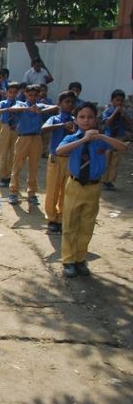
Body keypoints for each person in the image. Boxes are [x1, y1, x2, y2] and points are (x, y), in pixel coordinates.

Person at [56, 102, 127, 277]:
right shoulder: (73, 138)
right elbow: (59, 150)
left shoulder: (101, 139)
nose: (86, 120)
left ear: (96, 119)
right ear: (76, 119)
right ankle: (68, 260)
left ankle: (81, 259)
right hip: (75, 185)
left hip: (94, 187)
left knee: (87, 225)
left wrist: (102, 137)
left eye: (90, 117)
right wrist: (83, 139)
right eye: (82, 117)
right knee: (70, 224)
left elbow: (123, 148)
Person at [7, 84, 59, 205]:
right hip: (23, 138)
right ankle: (13, 192)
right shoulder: (21, 105)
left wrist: (40, 109)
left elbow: (55, 107)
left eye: (35, 95)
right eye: (30, 95)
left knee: (33, 167)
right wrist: (28, 109)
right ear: (25, 94)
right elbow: (12, 109)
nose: (32, 97)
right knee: (17, 165)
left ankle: (32, 193)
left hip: (36, 138)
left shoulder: (40, 105)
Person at [41, 90, 77, 234]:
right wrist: (63, 126)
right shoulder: (55, 119)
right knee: (53, 190)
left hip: (70, 159)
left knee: (66, 190)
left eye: (72, 102)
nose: (69, 104)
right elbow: (44, 129)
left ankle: (62, 217)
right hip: (56, 158)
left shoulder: (76, 120)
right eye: (66, 102)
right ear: (60, 104)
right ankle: (51, 218)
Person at [101, 89, 130, 190]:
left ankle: (110, 181)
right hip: (108, 137)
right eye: (117, 100)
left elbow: (130, 124)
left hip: (119, 137)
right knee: (106, 159)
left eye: (121, 101)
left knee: (115, 160)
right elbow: (107, 123)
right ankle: (103, 180)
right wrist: (115, 112)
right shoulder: (108, 111)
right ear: (112, 100)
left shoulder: (124, 112)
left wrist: (124, 115)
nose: (119, 103)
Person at [0, 82, 20, 188]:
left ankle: (10, 176)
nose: (12, 94)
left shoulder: (20, 104)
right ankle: (3, 176)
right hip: (5, 127)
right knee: (4, 152)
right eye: (10, 92)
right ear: (7, 92)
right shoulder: (3, 103)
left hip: (16, 128)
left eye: (14, 92)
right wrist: (9, 109)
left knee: (14, 153)